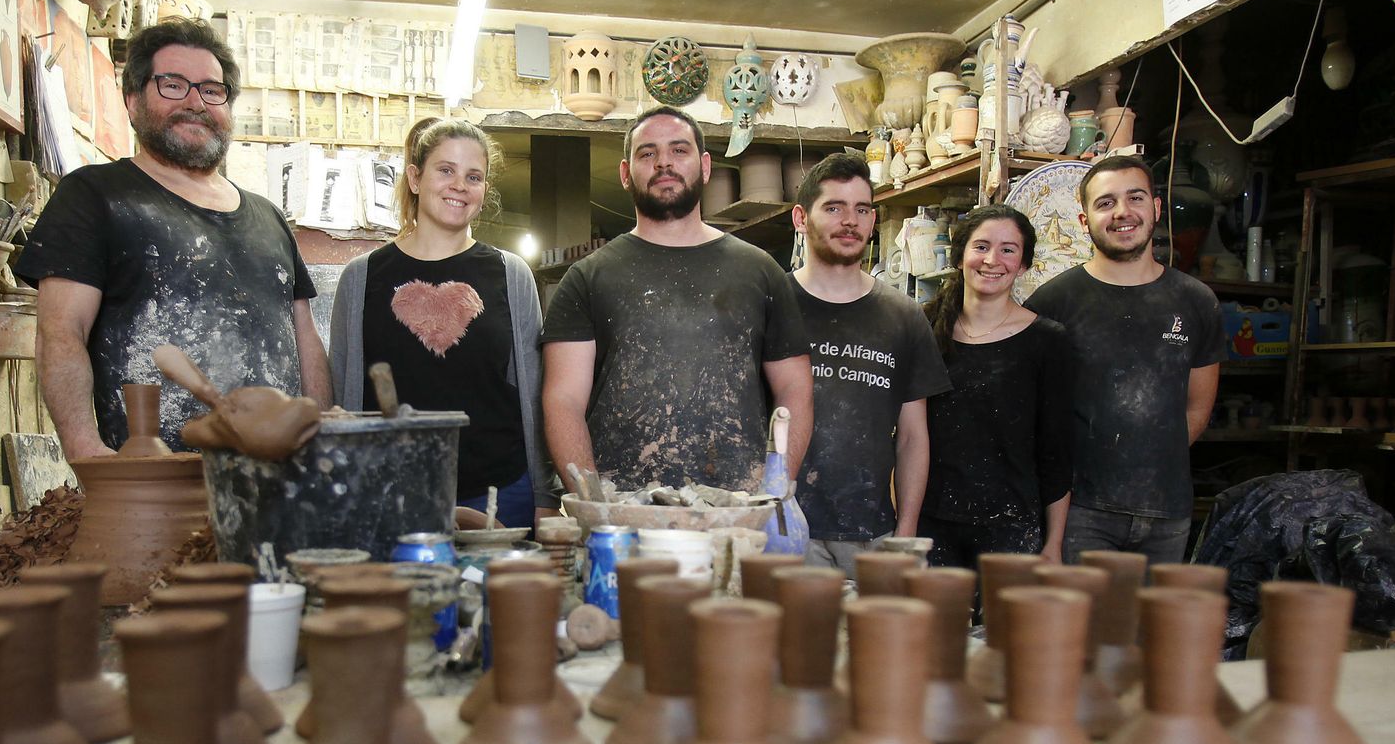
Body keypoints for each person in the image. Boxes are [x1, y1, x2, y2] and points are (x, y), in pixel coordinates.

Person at [18, 19, 331, 457]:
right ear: (132, 100)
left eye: (211, 90)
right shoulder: (95, 195)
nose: (195, 102)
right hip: (155, 484)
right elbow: (61, 332)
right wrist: (86, 451)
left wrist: (322, 442)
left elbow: (305, 339)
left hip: (279, 480)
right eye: (173, 85)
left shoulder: (269, 217)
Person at [539, 106, 812, 494]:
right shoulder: (586, 278)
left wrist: (774, 487)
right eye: (647, 153)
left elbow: (795, 390)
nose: (663, 162)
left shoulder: (760, 271)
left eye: (678, 150)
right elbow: (563, 401)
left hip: (735, 510)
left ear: (704, 166)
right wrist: (595, 505)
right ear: (624, 173)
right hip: (625, 514)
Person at [328, 118, 556, 528]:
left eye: (474, 176)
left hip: (499, 493)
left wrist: (543, 494)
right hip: (388, 492)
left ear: (484, 192)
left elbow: (534, 391)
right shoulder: (361, 277)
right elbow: (345, 393)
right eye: (445, 170)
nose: (459, 185)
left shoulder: (511, 273)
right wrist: (346, 484)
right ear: (415, 178)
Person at [1024, 154, 1223, 564]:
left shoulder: (1196, 301)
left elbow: (1198, 409)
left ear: (1156, 207)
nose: (1122, 213)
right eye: (1105, 203)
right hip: (1080, 513)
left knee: (1153, 629)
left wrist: (1145, 458)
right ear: (1084, 221)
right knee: (1086, 629)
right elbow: (1030, 412)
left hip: (1167, 511)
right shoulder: (1052, 303)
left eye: (1135, 198)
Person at [786, 153, 950, 575]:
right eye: (834, 207)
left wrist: (906, 534)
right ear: (801, 218)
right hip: (785, 530)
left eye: (861, 210)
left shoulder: (903, 316)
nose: (850, 221)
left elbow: (913, 436)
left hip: (873, 536)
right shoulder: (772, 308)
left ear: (873, 221)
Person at [919, 204, 1073, 568]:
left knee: (1003, 628)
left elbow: (1057, 452)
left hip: (1011, 527)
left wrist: (1053, 545)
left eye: (1008, 249)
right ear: (959, 257)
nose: (992, 259)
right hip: (931, 523)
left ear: (1022, 265)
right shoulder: (923, 330)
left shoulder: (1048, 341)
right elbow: (903, 435)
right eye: (981, 246)